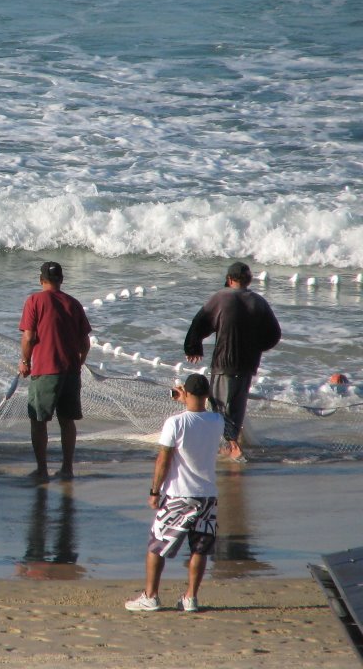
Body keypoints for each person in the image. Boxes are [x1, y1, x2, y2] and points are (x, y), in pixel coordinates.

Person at [126, 372, 225, 613]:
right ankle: (191, 597)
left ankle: (151, 595)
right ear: (207, 395)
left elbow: (163, 460)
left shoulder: (176, 422)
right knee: (199, 547)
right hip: (207, 494)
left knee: (157, 545)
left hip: (179, 495)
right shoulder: (217, 421)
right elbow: (206, 413)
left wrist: (154, 491)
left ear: (187, 393)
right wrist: (189, 400)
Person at [184, 261, 281, 461]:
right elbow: (274, 334)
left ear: (229, 279)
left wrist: (193, 347)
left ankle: (233, 447)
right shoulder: (259, 302)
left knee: (219, 404)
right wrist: (255, 348)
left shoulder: (221, 297)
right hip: (248, 364)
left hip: (224, 363)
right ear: (249, 280)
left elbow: (200, 322)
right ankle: (232, 442)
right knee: (236, 405)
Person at [18, 261, 91, 481]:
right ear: (61, 280)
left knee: (39, 421)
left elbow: (29, 336)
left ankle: (42, 470)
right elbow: (85, 343)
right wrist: (80, 362)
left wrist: (25, 361)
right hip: (71, 371)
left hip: (45, 370)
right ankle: (67, 468)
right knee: (67, 421)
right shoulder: (73, 303)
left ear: (41, 280)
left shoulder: (34, 300)